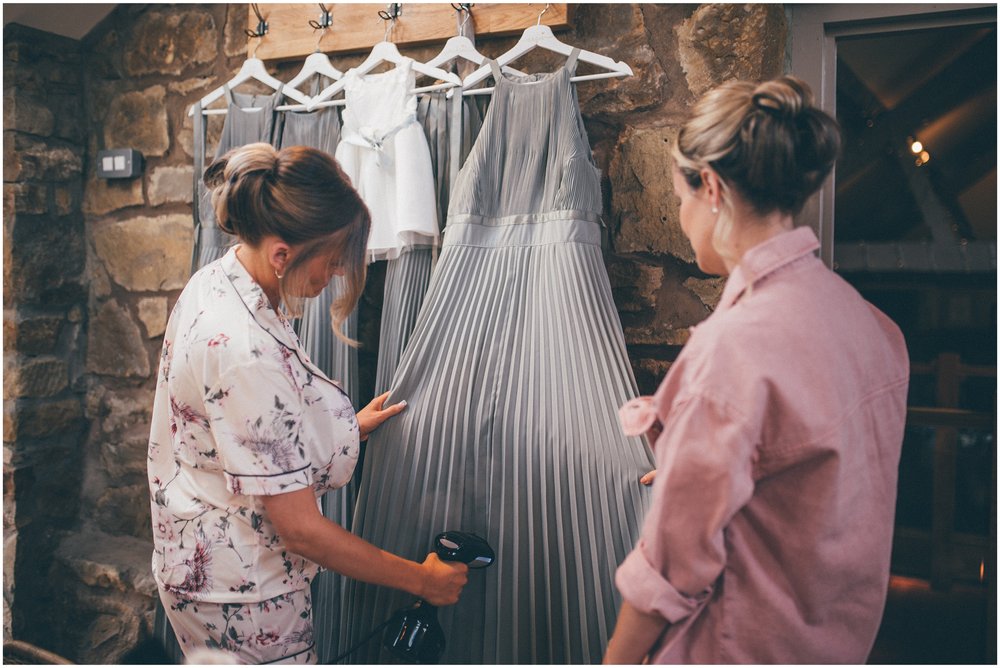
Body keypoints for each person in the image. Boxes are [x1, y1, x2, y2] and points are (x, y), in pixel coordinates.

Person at [603, 76, 909, 664]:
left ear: (712, 188)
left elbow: (671, 569)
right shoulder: (872, 325)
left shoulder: (731, 351)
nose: (681, 217)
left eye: (679, 199)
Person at [147, 143, 468, 664]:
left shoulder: (223, 277)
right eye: (334, 260)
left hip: (203, 562)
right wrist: (423, 579)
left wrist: (343, 429)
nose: (338, 274)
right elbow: (300, 530)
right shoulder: (243, 349)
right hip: (243, 593)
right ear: (282, 254)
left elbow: (236, 434)